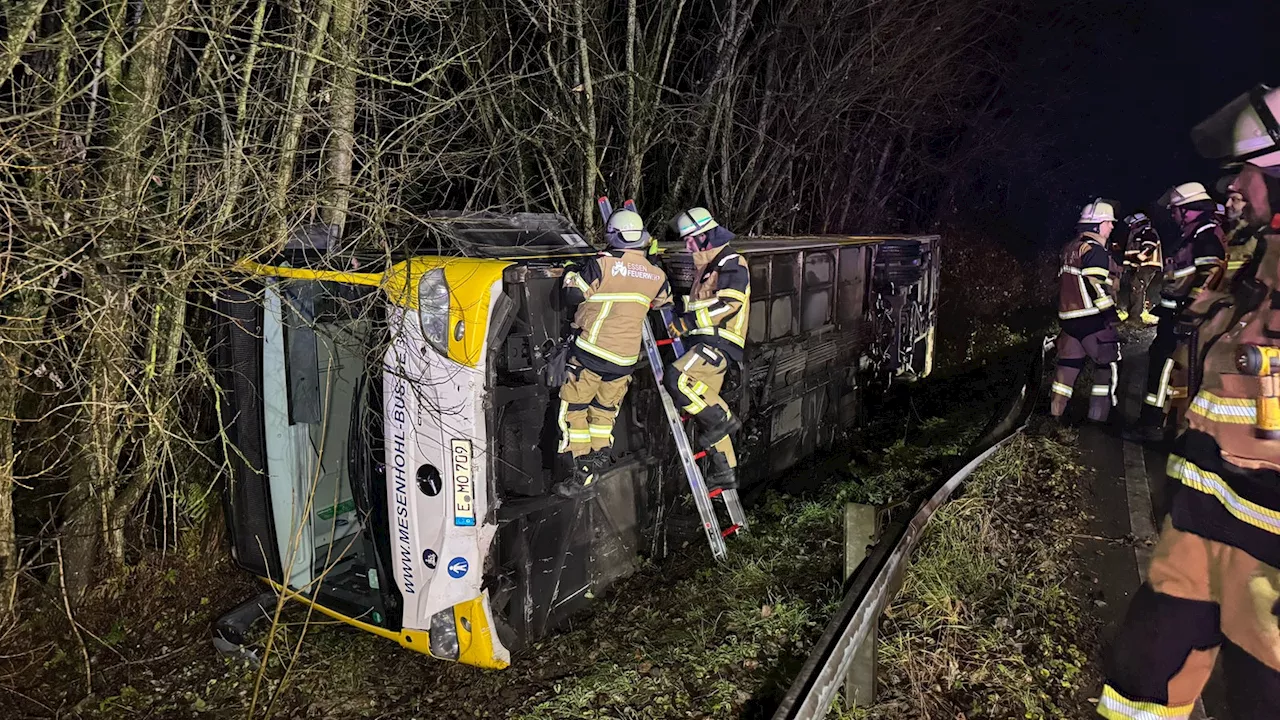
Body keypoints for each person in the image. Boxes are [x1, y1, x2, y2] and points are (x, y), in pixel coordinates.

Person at [1097, 84, 1280, 720]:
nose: (1228, 189)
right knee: (1139, 687)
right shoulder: (1251, 266)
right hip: (1199, 525)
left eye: (1242, 173)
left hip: (1268, 555)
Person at [554, 209, 673, 497]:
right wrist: (652, 264)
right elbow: (663, 302)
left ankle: (581, 471)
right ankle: (599, 457)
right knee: (605, 410)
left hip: (592, 352)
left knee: (574, 408)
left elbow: (572, 294)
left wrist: (571, 269)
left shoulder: (602, 265)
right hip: (625, 360)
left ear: (612, 236)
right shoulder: (655, 274)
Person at [1126, 182, 1227, 443]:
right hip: (1173, 317)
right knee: (1161, 366)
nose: (1172, 214)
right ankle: (1158, 423)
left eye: (1175, 210)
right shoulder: (1192, 235)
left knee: (1165, 369)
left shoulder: (1207, 236)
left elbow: (1210, 276)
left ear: (1188, 209)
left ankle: (1154, 425)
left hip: (1184, 321)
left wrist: (1189, 314)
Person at [664, 207, 750, 490]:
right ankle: (725, 470)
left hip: (718, 343)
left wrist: (687, 322)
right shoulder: (707, 268)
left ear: (706, 236)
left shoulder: (731, 262)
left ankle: (725, 418)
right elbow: (697, 306)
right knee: (705, 408)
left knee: (676, 380)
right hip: (703, 341)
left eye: (690, 239)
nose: (686, 245)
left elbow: (729, 304)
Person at [1050, 199, 1123, 423]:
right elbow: (1095, 283)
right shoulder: (1095, 251)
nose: (1111, 227)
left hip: (1068, 320)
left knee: (1067, 368)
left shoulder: (1070, 248)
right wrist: (1110, 314)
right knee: (1107, 364)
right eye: (1109, 223)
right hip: (1092, 320)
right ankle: (1099, 418)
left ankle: (1055, 414)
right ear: (1098, 225)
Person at [1121, 212, 1163, 324]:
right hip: (1141, 265)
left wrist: (1141, 257)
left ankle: (1135, 318)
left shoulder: (1147, 231)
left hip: (1147, 265)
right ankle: (1134, 315)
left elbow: (1150, 245)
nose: (1130, 226)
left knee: (1137, 286)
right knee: (1136, 286)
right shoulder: (1137, 233)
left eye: (1132, 223)